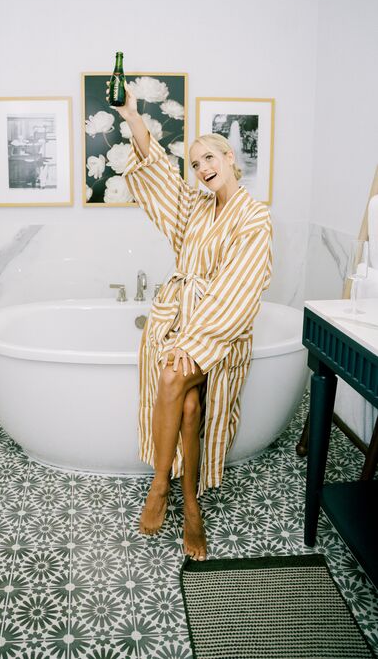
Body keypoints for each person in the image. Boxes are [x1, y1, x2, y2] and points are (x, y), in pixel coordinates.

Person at [107, 81, 272, 560]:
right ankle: (192, 504)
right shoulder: (195, 207)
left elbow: (241, 288)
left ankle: (159, 487)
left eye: (209, 159)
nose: (202, 169)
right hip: (177, 318)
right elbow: (157, 171)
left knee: (175, 372)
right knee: (190, 408)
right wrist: (133, 116)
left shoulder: (254, 217)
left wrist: (197, 340)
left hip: (220, 330)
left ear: (230, 160)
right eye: (196, 163)